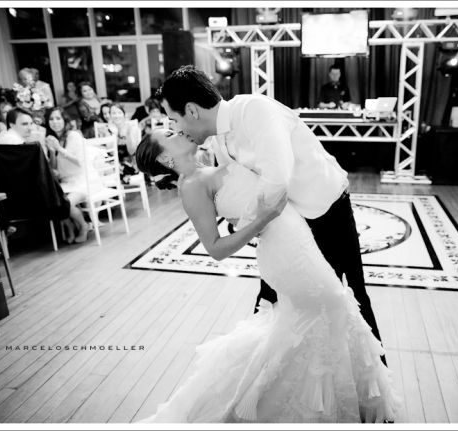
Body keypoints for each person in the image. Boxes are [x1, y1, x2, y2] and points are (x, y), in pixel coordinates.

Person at [134, 65, 398, 422]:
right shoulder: (214, 141)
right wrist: (250, 222)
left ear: (192, 110)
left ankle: (372, 398)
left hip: (325, 210)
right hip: (285, 232)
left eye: (173, 119)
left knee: (349, 297)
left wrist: (251, 221)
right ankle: (260, 397)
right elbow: (234, 197)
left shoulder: (254, 111)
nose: (176, 127)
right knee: (278, 307)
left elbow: (276, 181)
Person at [44, 107, 99, 244]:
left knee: (65, 204)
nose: (55, 122)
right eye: (51, 119)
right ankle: (72, 227)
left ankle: (83, 226)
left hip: (83, 180)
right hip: (66, 182)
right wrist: (52, 152)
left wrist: (59, 149)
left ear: (65, 120)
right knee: (54, 201)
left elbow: (80, 162)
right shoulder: (53, 139)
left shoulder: (73, 136)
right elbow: (53, 169)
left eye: (58, 118)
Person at [109, 103, 141, 184]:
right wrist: (114, 134)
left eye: (119, 112)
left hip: (130, 164)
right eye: (113, 113)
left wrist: (127, 134)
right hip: (114, 164)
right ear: (110, 116)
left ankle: (117, 189)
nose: (116, 115)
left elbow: (132, 151)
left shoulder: (131, 127)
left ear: (124, 114)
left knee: (111, 172)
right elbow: (111, 153)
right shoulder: (109, 129)